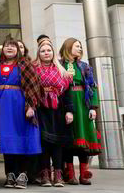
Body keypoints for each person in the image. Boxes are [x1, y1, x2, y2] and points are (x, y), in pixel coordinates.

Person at [0, 39, 43, 189]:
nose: (9, 48)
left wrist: (31, 107)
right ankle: (10, 174)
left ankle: (23, 173)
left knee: (22, 139)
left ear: (18, 50)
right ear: (3, 49)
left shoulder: (25, 64)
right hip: (1, 107)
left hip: (20, 105)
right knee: (7, 140)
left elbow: (33, 86)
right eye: (7, 45)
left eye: (13, 46)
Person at [59, 38, 101, 185]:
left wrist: (93, 108)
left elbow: (93, 86)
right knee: (69, 139)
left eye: (81, 46)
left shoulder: (85, 66)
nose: (80, 48)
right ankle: (70, 174)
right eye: (77, 46)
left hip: (83, 105)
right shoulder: (60, 65)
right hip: (66, 104)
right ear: (68, 47)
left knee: (84, 140)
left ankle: (84, 174)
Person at [33, 39, 73, 187]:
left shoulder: (62, 70)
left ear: (53, 53)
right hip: (40, 109)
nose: (46, 53)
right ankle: (44, 174)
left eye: (49, 50)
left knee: (57, 143)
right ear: (39, 53)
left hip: (58, 110)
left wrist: (69, 111)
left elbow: (67, 93)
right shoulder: (34, 69)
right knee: (43, 142)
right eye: (43, 51)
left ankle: (58, 173)